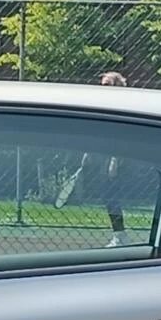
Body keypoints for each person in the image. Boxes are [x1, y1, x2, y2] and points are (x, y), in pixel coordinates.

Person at [57, 71, 134, 247]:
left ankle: (120, 236)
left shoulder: (123, 106)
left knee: (111, 195)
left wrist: (115, 160)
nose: (102, 88)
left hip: (119, 158)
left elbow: (122, 136)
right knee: (107, 195)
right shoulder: (103, 105)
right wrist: (89, 152)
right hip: (105, 157)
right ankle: (119, 234)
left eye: (107, 84)